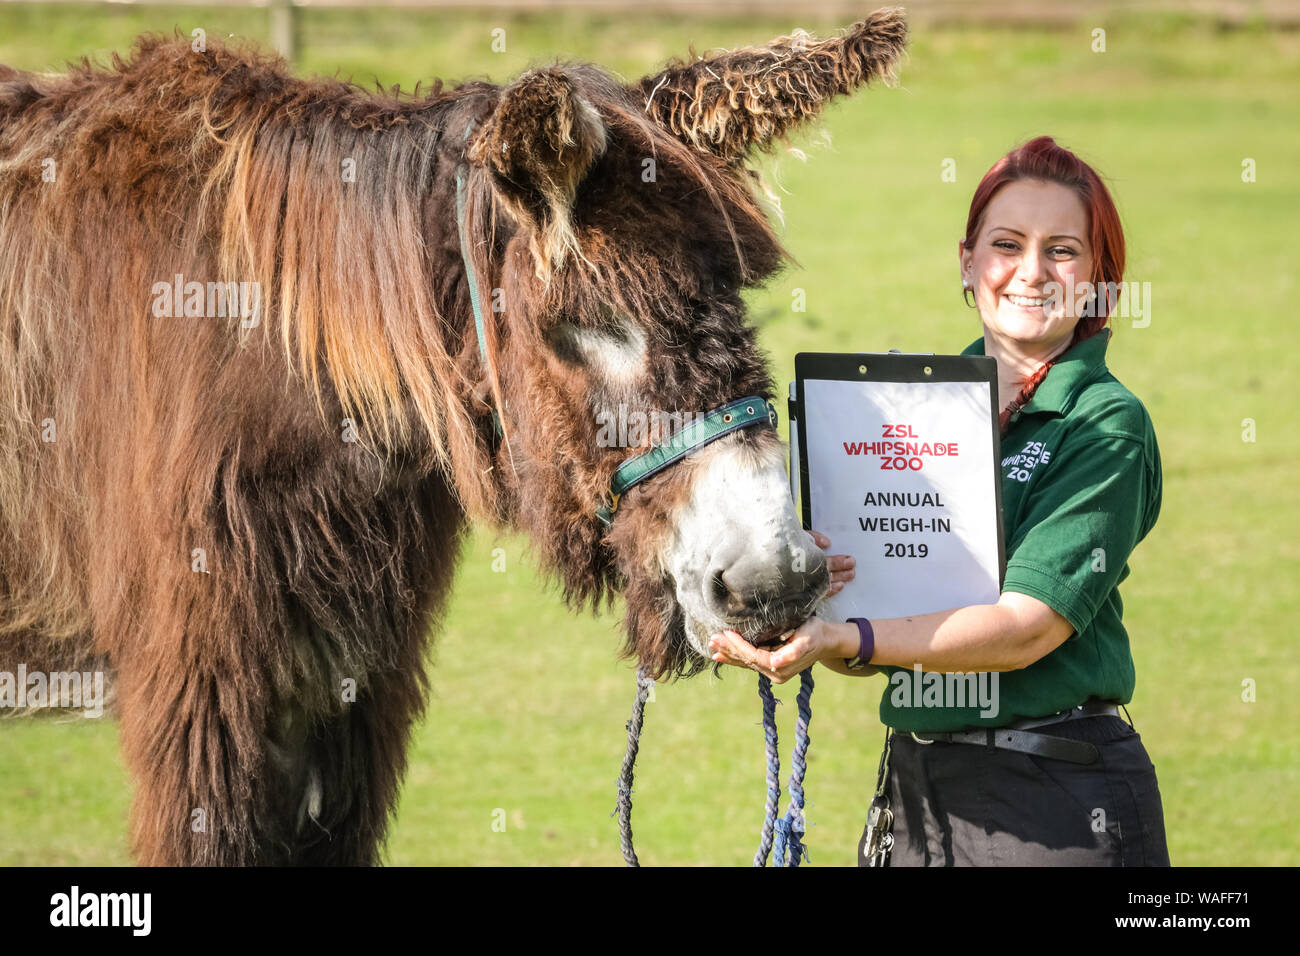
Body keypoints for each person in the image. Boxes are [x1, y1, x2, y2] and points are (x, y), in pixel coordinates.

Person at [708, 136, 1170, 866]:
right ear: (967, 262)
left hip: (1057, 796)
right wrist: (814, 602)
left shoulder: (1106, 423)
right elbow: (873, 646)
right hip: (915, 794)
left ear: (1097, 280)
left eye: (1062, 251)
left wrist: (847, 639)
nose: (1031, 271)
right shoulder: (914, 412)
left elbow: (1024, 630)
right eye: (1007, 244)